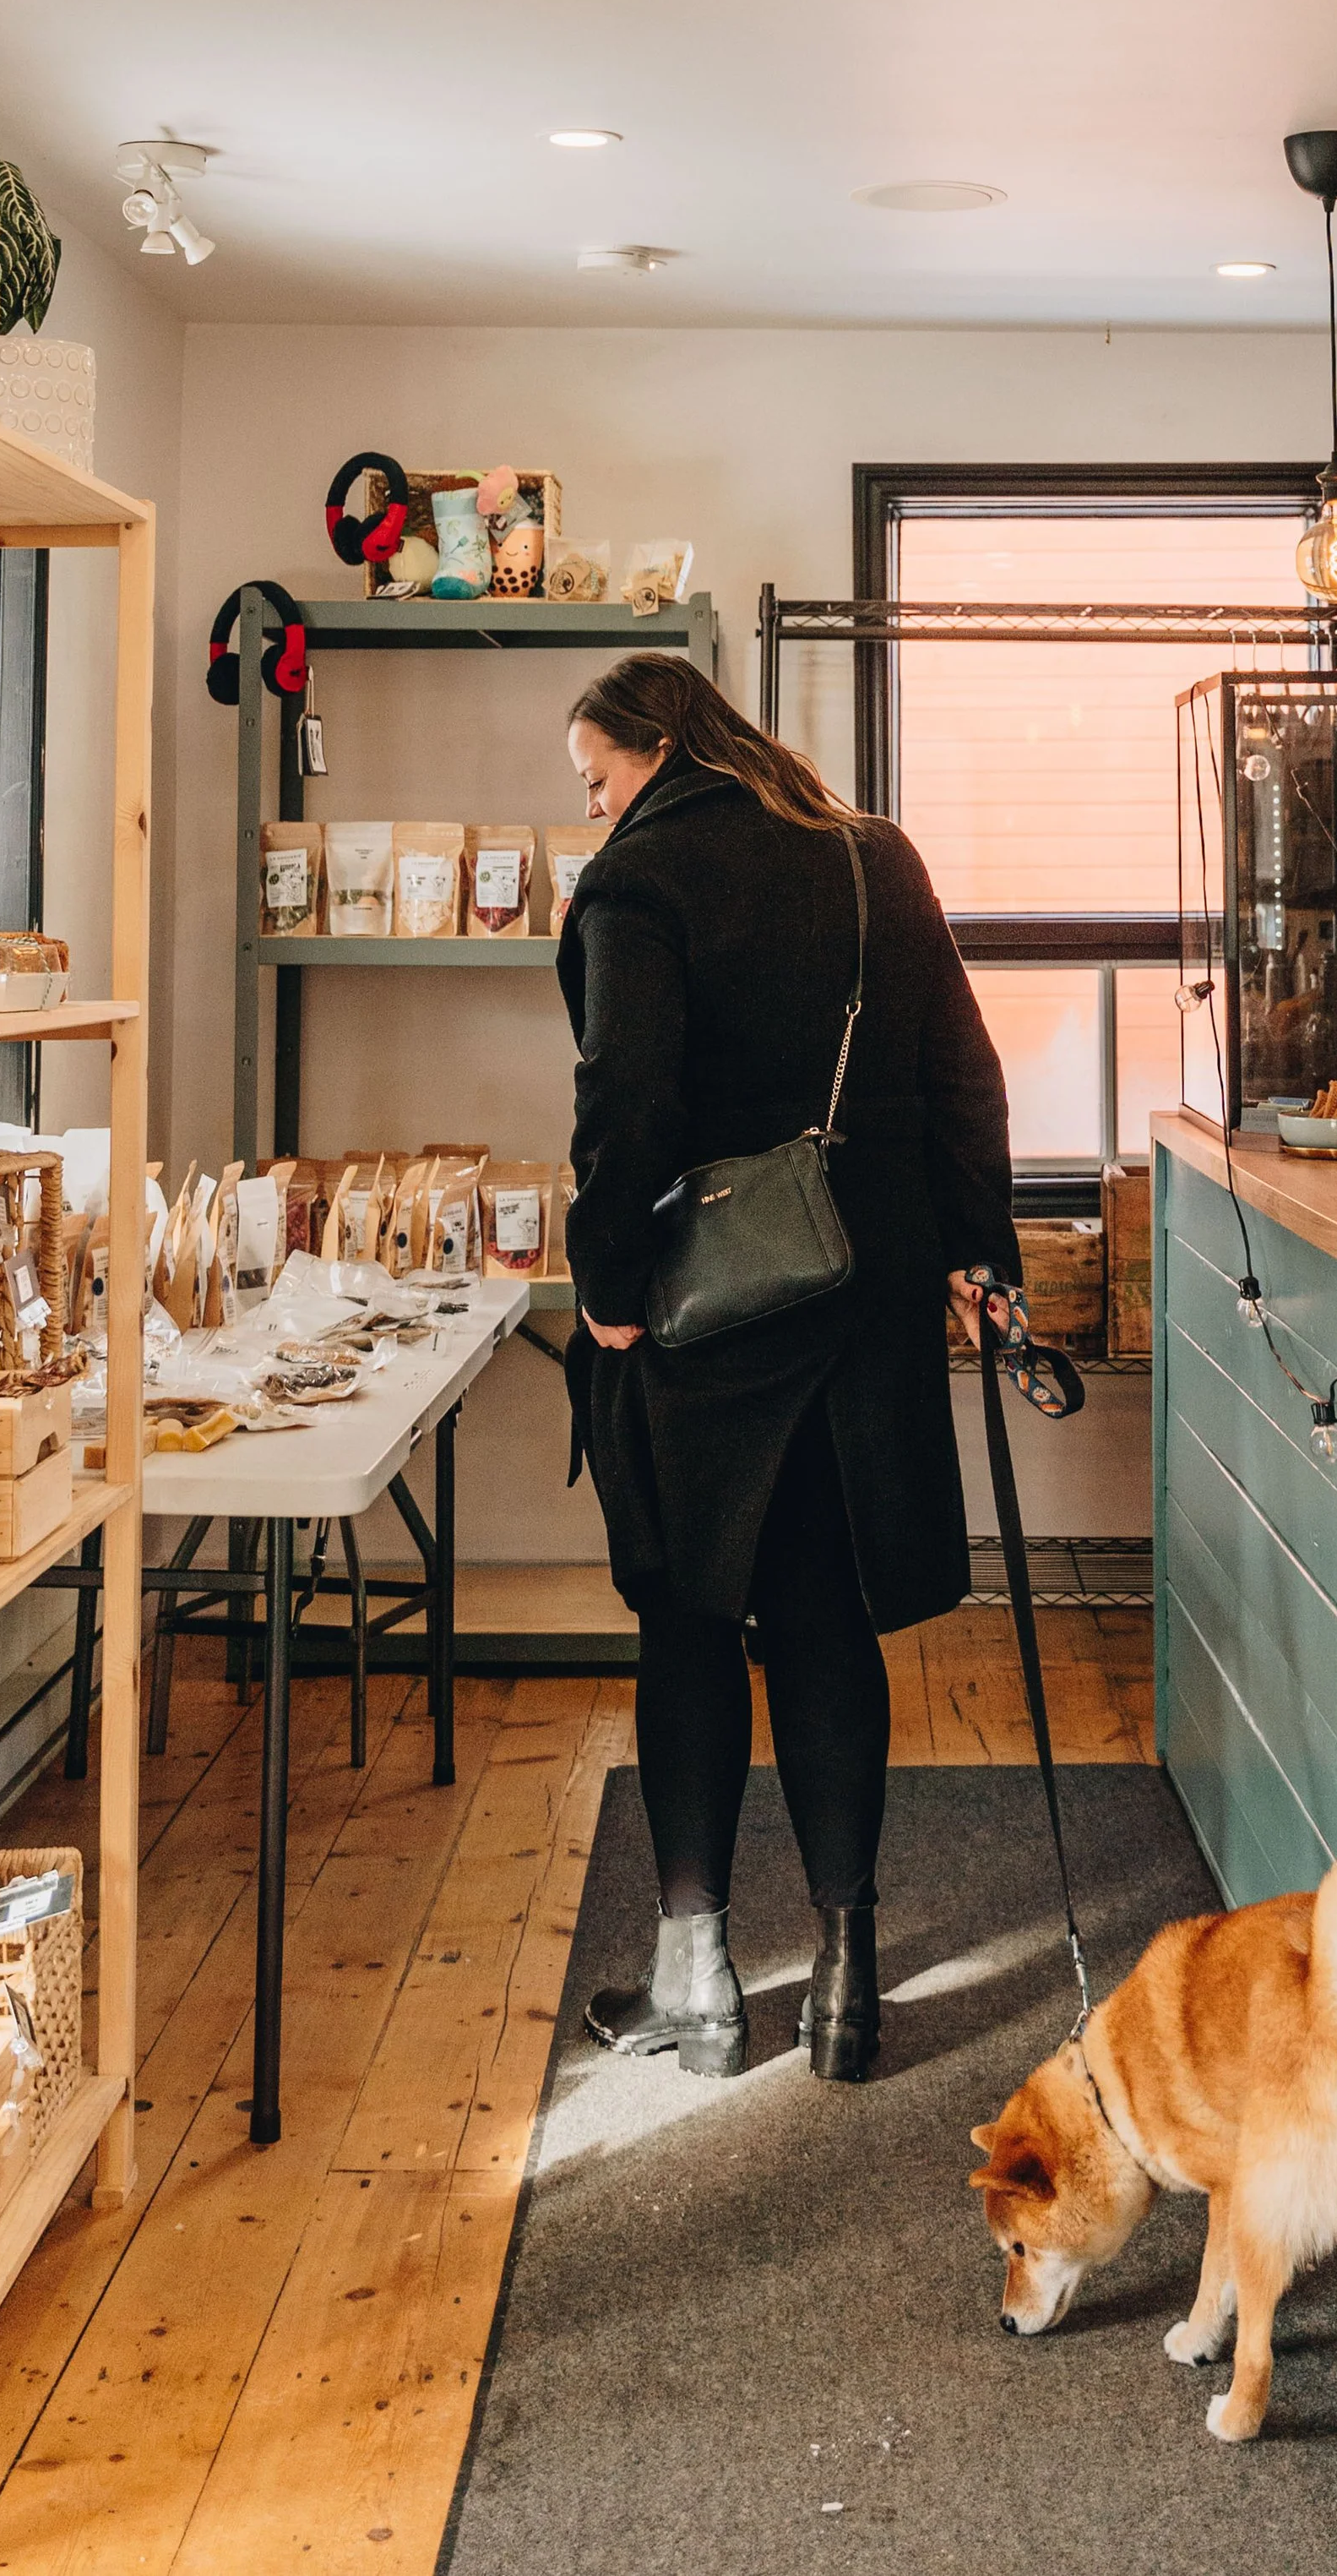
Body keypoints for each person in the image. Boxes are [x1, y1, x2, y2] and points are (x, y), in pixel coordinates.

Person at [557, 654, 1019, 2083]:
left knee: (690, 1623)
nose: (594, 815)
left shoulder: (640, 884)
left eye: (595, 784)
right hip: (861, 1300)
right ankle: (846, 1981)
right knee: (825, 1624)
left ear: (653, 748)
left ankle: (700, 1986)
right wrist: (978, 1250)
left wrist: (612, 1293)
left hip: (708, 1314)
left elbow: (626, 1102)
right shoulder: (875, 859)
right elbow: (964, 1069)